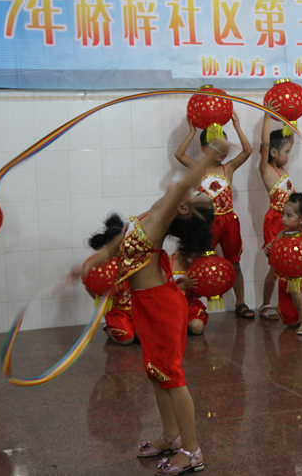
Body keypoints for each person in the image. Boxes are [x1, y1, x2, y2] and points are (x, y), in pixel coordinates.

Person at [82, 142, 225, 475]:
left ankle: (192, 451)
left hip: (161, 306)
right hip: (146, 304)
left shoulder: (162, 218)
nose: (191, 188)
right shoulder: (155, 211)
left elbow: (186, 180)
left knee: (171, 376)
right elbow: (119, 243)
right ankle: (171, 435)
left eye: (194, 194)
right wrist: (92, 262)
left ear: (183, 208)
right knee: (156, 373)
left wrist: (207, 156)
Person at [175, 113, 253, 319]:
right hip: (206, 223)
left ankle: (240, 303)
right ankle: (192, 304)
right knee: (199, 261)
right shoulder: (198, 168)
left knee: (234, 262)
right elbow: (179, 154)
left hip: (229, 222)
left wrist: (237, 127)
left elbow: (248, 150)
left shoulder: (229, 168)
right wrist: (191, 132)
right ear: (204, 150)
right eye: (215, 147)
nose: (221, 151)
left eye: (224, 146)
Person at [257, 106, 301, 320]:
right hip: (275, 221)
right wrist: (267, 115)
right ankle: (265, 304)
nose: (289, 155)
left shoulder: (283, 170)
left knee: (291, 263)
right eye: (286, 152)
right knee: (275, 266)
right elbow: (265, 143)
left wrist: (289, 118)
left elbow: (290, 138)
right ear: (273, 153)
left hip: (290, 222)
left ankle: (297, 301)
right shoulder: (266, 170)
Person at [264, 192, 302, 335]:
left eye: (289, 215)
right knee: (290, 321)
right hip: (285, 281)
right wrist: (269, 252)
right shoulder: (280, 235)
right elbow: (276, 263)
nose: (283, 219)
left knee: (294, 283)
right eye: (283, 214)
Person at [83, 214, 136, 345]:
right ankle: (110, 326)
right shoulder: (98, 264)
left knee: (145, 337)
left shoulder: (134, 258)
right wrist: (105, 304)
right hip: (116, 311)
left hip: (137, 307)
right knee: (127, 339)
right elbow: (89, 286)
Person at [170, 251, 209, 336]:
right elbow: (159, 290)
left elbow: (197, 295)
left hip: (189, 306)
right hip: (168, 307)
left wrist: (205, 289)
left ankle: (186, 323)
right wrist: (182, 285)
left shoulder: (193, 266)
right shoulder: (165, 263)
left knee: (197, 327)